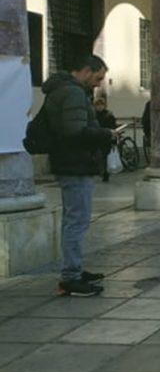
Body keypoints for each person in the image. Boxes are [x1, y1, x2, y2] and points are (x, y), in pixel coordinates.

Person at [42, 54, 116, 296]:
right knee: (77, 221)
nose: (98, 84)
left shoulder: (64, 90)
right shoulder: (72, 93)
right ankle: (71, 276)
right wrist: (105, 134)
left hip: (69, 163)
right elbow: (75, 131)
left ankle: (73, 268)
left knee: (73, 220)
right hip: (74, 164)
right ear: (86, 70)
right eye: (97, 78)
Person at [94, 96, 117, 183]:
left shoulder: (109, 115)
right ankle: (102, 171)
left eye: (101, 105)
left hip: (106, 139)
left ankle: (105, 173)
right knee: (99, 156)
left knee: (105, 156)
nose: (99, 107)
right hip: (97, 139)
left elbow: (113, 127)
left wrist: (113, 139)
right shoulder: (93, 115)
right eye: (97, 105)